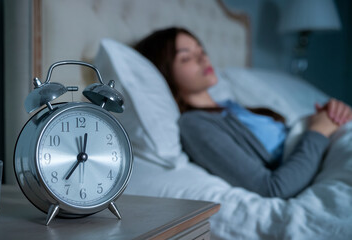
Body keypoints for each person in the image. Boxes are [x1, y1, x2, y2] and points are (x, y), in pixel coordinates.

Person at [134, 27, 352, 199]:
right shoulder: (195, 125)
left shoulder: (232, 106)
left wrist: (332, 114)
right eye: (186, 57)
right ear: (165, 73)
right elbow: (272, 188)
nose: (203, 58)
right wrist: (319, 131)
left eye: (201, 50)